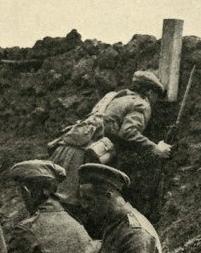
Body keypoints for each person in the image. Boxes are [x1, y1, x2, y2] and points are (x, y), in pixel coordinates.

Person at [48, 70, 171, 208]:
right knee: (72, 207)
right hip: (81, 157)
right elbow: (128, 132)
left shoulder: (112, 97)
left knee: (49, 202)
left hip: (64, 149)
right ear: (150, 92)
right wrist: (155, 148)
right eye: (155, 95)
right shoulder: (142, 104)